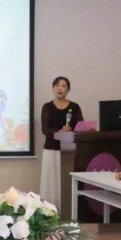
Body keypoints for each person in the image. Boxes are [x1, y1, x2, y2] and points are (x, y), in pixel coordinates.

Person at [40, 77, 83, 210]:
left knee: (66, 183)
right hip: (51, 150)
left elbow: (81, 126)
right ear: (53, 88)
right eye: (57, 85)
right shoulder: (47, 107)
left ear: (68, 89)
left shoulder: (74, 107)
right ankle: (49, 212)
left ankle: (69, 212)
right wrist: (60, 131)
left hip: (70, 152)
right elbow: (45, 129)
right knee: (51, 184)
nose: (60, 88)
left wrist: (71, 130)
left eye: (63, 86)